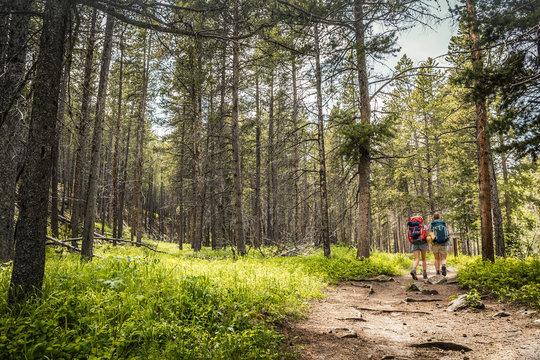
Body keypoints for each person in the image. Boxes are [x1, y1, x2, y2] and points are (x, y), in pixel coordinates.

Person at [429, 212, 450, 276]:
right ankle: (443, 265)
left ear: (433, 217)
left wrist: (430, 242)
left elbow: (429, 234)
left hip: (435, 243)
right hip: (444, 242)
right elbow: (447, 233)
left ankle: (437, 272)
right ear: (439, 217)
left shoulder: (431, 224)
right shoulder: (444, 223)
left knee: (436, 258)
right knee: (443, 258)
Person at [407, 216, 429, 280]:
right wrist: (428, 246)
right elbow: (427, 237)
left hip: (414, 243)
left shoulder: (411, 227)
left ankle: (413, 270)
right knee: (423, 259)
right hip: (423, 243)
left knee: (417, 259)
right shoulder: (424, 227)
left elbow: (410, 235)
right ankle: (425, 274)